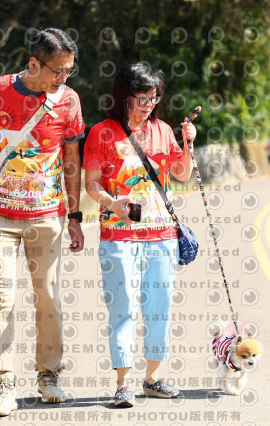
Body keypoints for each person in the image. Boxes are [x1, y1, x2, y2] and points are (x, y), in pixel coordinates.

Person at [0, 28, 85, 417]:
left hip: (47, 216)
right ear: (34, 63)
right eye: (58, 70)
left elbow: (71, 160)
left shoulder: (69, 100)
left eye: (69, 70)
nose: (63, 78)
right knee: (1, 300)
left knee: (49, 299)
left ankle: (49, 375)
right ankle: (3, 385)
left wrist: (75, 216)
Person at [82, 63, 196, 408]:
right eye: (141, 97)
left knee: (160, 308)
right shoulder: (101, 132)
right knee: (124, 308)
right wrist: (111, 203)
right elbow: (91, 183)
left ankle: (153, 378)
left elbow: (182, 173)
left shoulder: (163, 130)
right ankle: (123, 384)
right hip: (118, 235)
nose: (148, 104)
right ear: (123, 95)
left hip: (161, 235)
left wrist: (188, 143)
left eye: (154, 97)